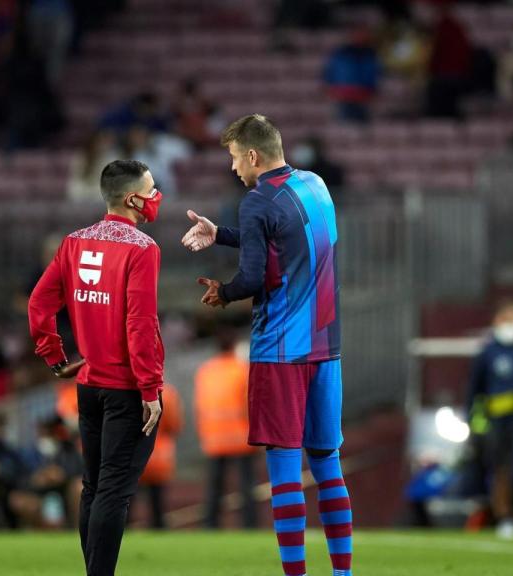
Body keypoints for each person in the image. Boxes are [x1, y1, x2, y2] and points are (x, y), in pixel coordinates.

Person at [183, 115, 352, 576]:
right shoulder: (315, 185)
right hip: (326, 346)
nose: (235, 168)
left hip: (280, 349)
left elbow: (254, 277)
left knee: (283, 468)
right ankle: (343, 573)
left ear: (253, 156)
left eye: (235, 158)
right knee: (326, 463)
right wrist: (222, 234)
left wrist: (224, 292)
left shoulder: (257, 200)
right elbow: (284, 240)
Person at [28, 159, 165, 576]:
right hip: (127, 388)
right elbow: (140, 323)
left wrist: (55, 358)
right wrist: (150, 389)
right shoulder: (143, 249)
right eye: (151, 189)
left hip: (87, 387)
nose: (156, 196)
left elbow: (39, 305)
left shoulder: (74, 242)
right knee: (113, 492)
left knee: (92, 488)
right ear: (131, 198)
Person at [466, 300, 513, 539]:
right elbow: (473, 391)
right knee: (501, 471)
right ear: (497, 322)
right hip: (497, 422)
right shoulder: (487, 353)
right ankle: (504, 517)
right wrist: (472, 422)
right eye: (508, 319)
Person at [196, 331, 257, 529]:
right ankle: (249, 525)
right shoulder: (242, 369)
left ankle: (210, 526)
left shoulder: (205, 371)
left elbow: (200, 405)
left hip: (213, 437)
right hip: (240, 436)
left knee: (214, 488)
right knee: (246, 486)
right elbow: (251, 404)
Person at [136, 382, 184, 529]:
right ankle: (158, 529)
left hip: (133, 452)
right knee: (157, 502)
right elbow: (175, 424)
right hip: (159, 453)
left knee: (125, 499)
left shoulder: (126, 392)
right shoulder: (168, 393)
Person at [323, 27, 381, 124]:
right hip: (344, 94)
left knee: (363, 126)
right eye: (358, 34)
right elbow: (330, 72)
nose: (361, 37)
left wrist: (372, 90)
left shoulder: (371, 55)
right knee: (343, 125)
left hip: (363, 95)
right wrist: (331, 89)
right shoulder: (341, 54)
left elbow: (374, 74)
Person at [425, 3, 472, 119]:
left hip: (449, 76)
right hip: (449, 76)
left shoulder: (451, 28)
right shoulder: (449, 27)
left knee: (442, 108)